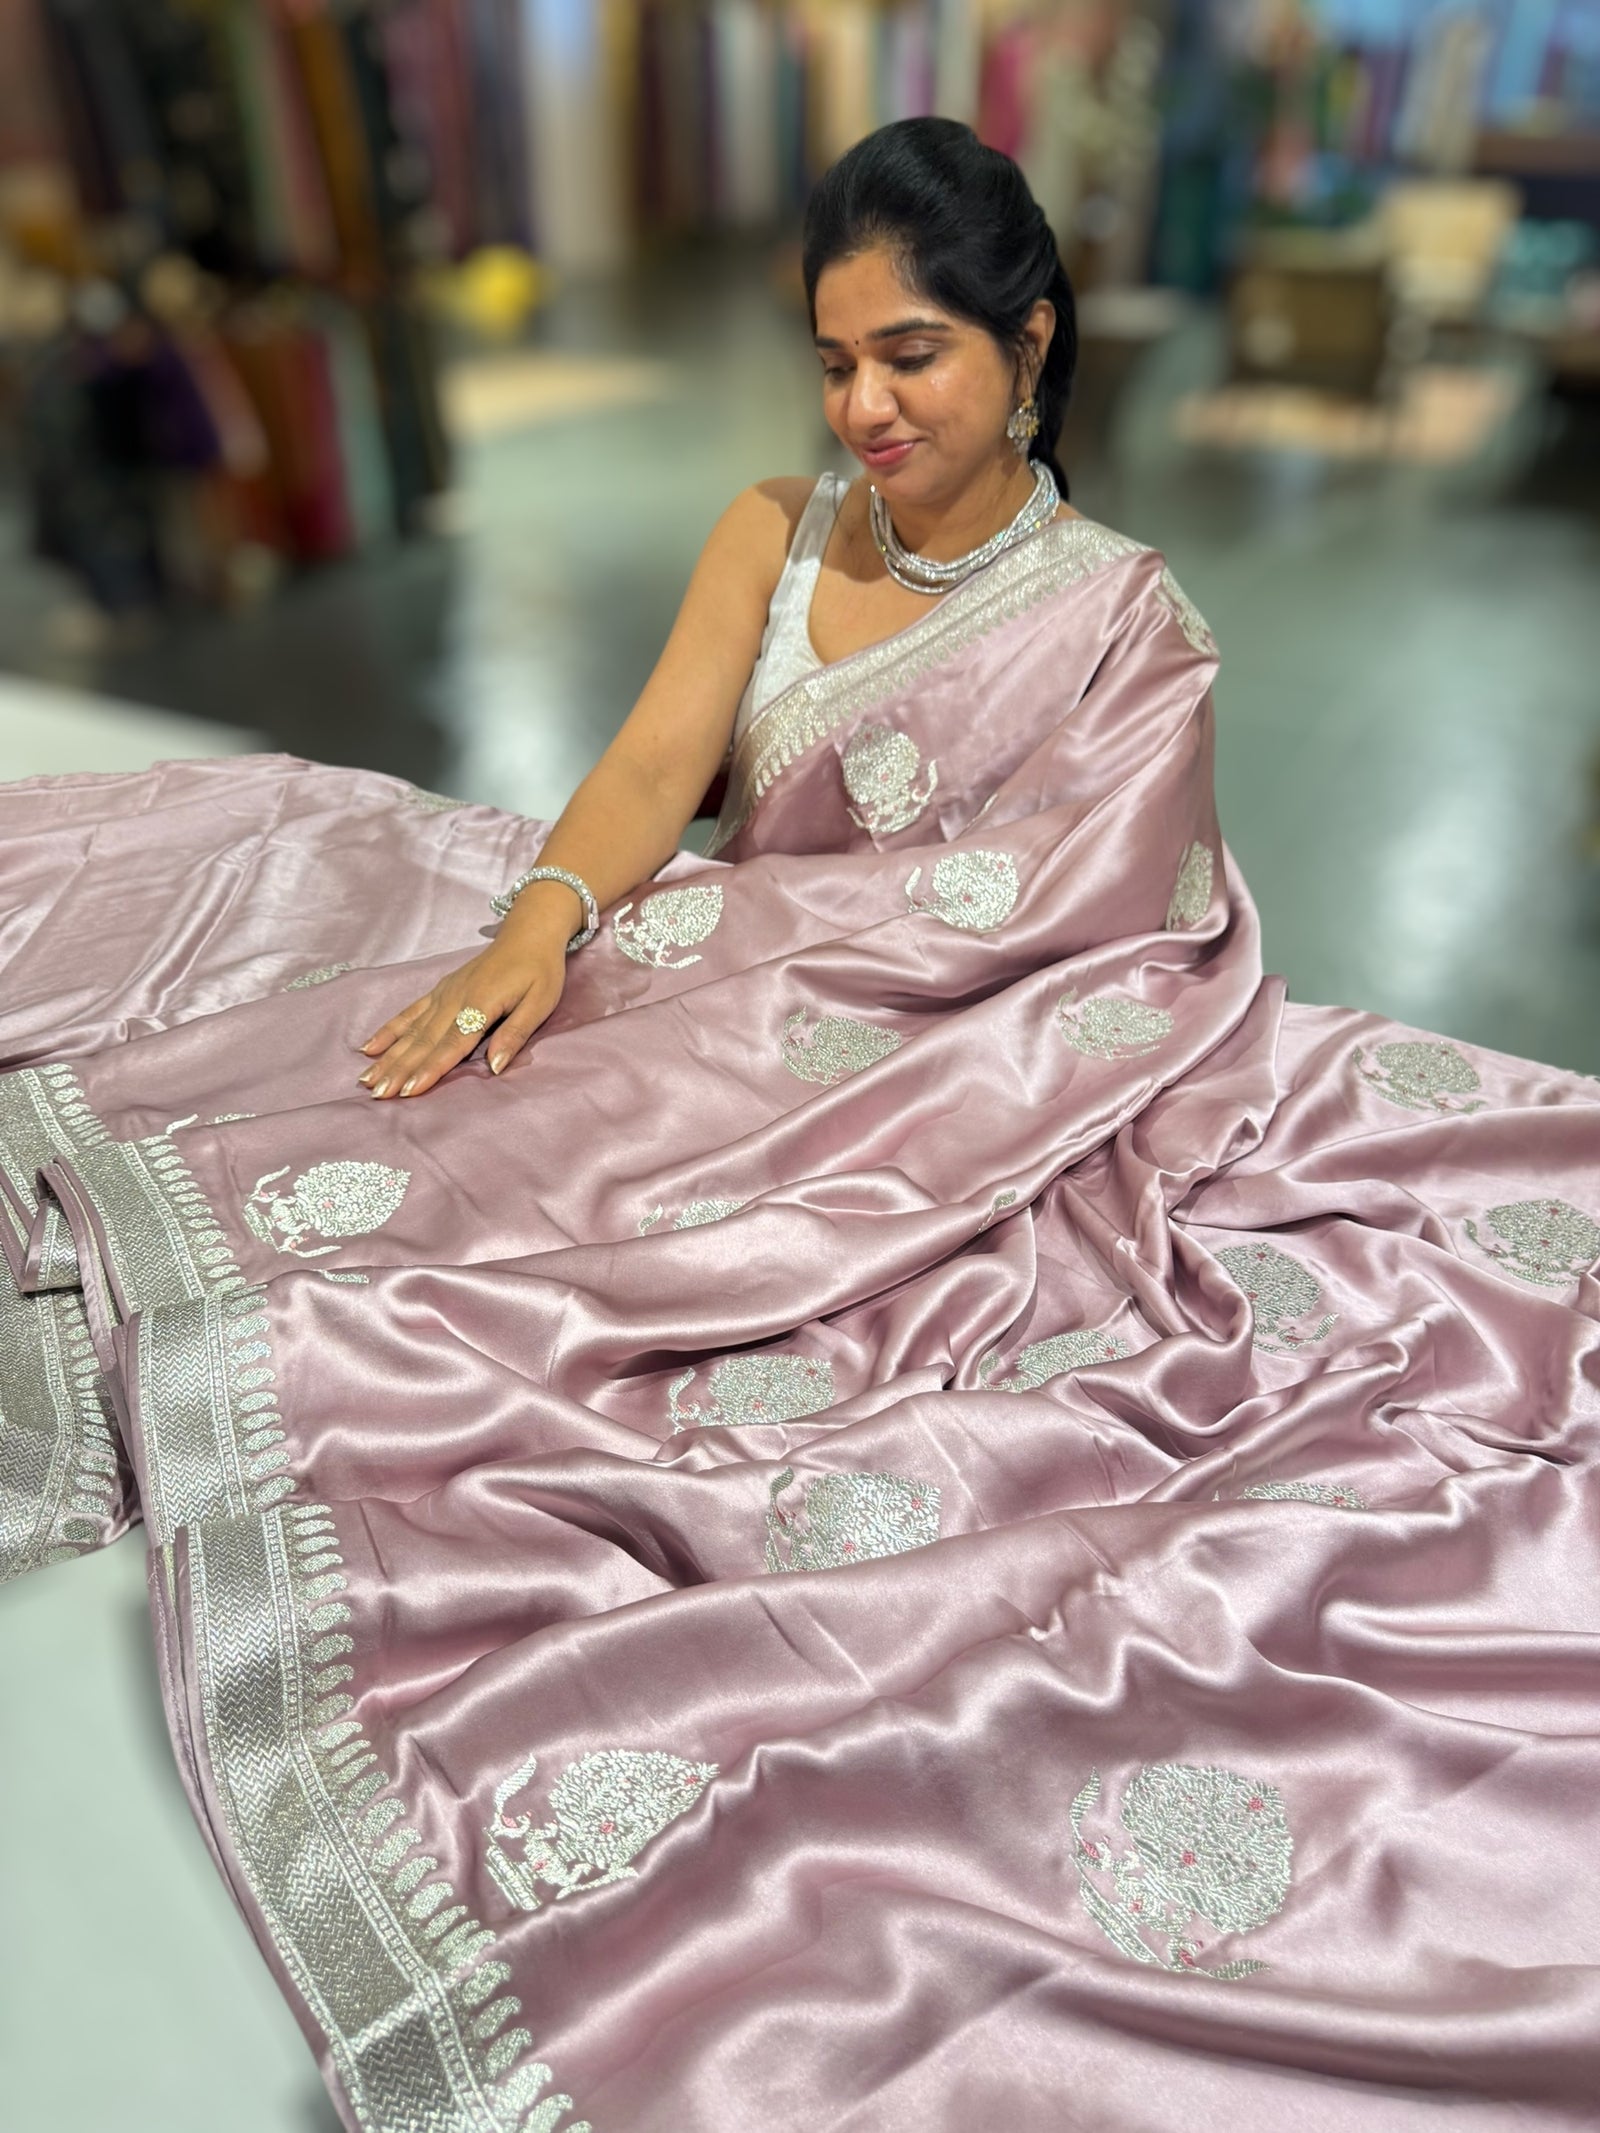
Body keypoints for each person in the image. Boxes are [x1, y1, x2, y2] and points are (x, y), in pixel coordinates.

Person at [2, 119, 1597, 2133]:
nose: (864, 407)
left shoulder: (1122, 621)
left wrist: (832, 1022)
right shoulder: (773, 524)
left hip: (965, 1077)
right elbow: (654, 763)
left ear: (1030, 344)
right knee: (404, 1137)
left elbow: (1097, 938)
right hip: (713, 1016)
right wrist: (539, 924)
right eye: (833, 359)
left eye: (911, 355)